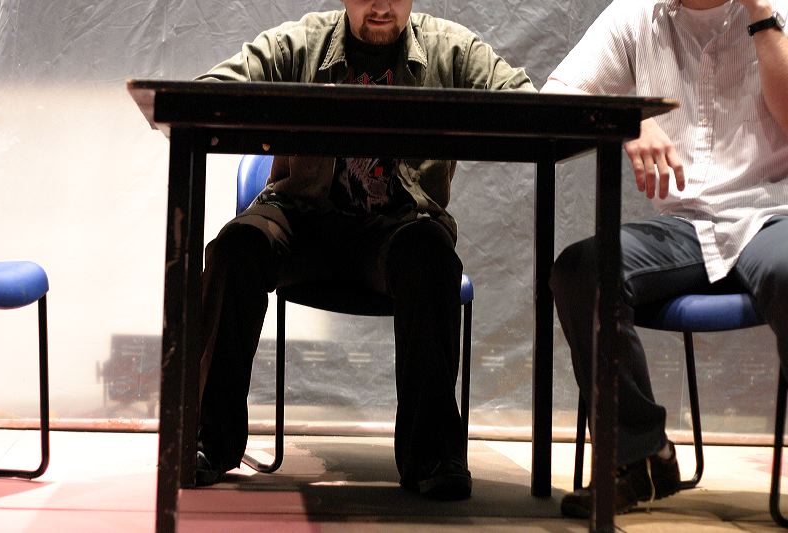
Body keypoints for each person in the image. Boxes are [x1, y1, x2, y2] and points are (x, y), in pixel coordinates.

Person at [193, 0, 535, 500]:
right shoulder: (300, 44)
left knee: (430, 256)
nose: (380, 5)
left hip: (396, 230)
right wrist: (276, 113)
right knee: (235, 249)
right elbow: (206, 94)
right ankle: (207, 441)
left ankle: (433, 457)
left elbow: (526, 104)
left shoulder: (451, 50)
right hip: (302, 219)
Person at [543, 0, 788, 517]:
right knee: (582, 271)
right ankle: (640, 458)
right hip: (685, 225)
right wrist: (628, 119)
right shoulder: (636, 14)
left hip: (771, 213)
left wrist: (763, 17)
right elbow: (557, 95)